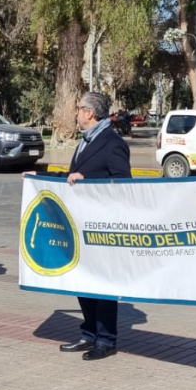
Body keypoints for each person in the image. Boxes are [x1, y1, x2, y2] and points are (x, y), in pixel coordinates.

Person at [59, 92, 132, 360]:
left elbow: (123, 183)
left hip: (103, 227)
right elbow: (72, 176)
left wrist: (88, 181)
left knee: (102, 285)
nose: (76, 113)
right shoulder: (85, 140)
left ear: (89, 113)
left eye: (79, 108)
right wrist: (39, 176)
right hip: (80, 223)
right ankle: (88, 333)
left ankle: (106, 340)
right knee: (82, 281)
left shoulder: (113, 143)